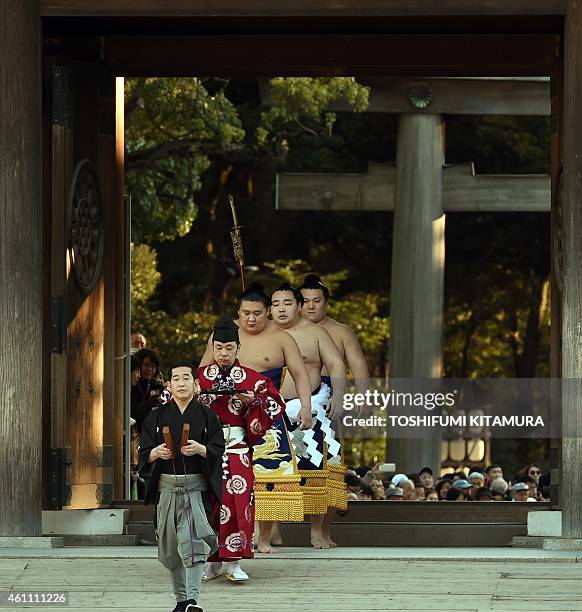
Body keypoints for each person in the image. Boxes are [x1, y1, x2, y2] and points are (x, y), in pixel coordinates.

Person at [199, 283, 313, 554]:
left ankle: (263, 537)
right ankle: (228, 537)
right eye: (245, 313)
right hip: (227, 416)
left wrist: (305, 406)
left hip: (265, 413)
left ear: (268, 312)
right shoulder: (222, 337)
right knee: (227, 479)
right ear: (238, 311)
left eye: (257, 313)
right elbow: (203, 373)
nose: (251, 319)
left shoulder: (282, 337)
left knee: (268, 475)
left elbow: (299, 373)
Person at [198, 318, 283, 582]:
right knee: (207, 502)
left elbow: (274, 404)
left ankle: (233, 562)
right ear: (212, 347)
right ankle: (212, 562)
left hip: (236, 448)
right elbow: (172, 400)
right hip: (205, 450)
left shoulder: (253, 380)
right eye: (219, 347)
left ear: (238, 348)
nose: (224, 353)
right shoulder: (197, 378)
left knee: (238, 501)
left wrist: (253, 402)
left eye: (229, 348)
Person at [138, 361, 225, 612]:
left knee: (194, 542)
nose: (181, 383)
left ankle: (193, 599)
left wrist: (202, 449)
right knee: (170, 546)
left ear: (196, 385)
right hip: (167, 489)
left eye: (187, 378)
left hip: (195, 489)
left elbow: (218, 450)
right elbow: (144, 452)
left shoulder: (208, 417)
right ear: (169, 385)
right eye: (176, 379)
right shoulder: (155, 417)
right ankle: (181, 600)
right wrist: (155, 453)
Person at [271, 283, 347, 548]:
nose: (281, 309)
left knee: (316, 467)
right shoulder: (263, 334)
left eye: (288, 303)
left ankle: (316, 530)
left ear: (299, 305)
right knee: (275, 469)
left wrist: (337, 395)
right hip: (272, 411)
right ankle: (273, 529)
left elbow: (337, 364)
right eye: (276, 304)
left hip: (312, 407)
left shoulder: (315, 332)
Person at [299, 273, 370, 532]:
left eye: (316, 300)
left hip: (328, 401)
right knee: (282, 464)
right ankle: (271, 529)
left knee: (329, 464)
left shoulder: (341, 331)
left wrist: (363, 395)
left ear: (325, 302)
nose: (310, 306)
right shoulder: (285, 331)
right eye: (305, 300)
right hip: (290, 401)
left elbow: (358, 364)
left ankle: (321, 529)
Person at [132, 348, 165, 433]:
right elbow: (133, 414)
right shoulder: (132, 385)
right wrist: (147, 404)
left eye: (153, 366)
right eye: (146, 365)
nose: (149, 369)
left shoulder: (157, 387)